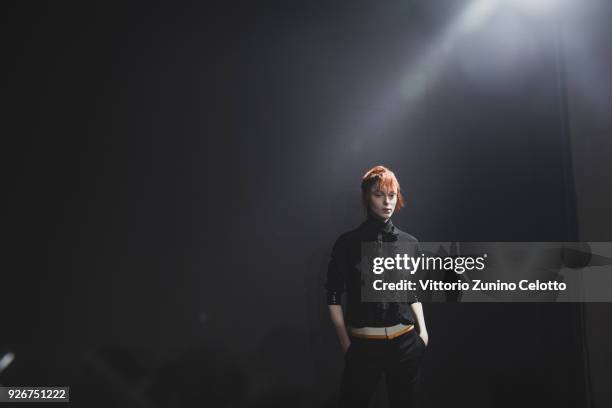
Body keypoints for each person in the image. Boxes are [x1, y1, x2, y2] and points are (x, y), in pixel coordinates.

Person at [326, 165, 428, 408]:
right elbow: (332, 295)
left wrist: (423, 334)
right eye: (379, 194)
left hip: (405, 344)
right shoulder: (348, 243)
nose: (387, 202)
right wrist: (346, 344)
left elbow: (412, 291)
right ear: (366, 197)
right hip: (363, 346)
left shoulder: (409, 242)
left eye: (391, 195)